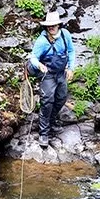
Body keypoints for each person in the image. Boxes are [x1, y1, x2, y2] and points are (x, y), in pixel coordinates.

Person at [28, 11, 75, 147]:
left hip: (61, 72)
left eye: (53, 25)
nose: (51, 27)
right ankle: (43, 133)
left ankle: (52, 121)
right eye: (49, 26)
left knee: (61, 98)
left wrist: (71, 68)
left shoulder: (65, 35)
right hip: (47, 73)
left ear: (58, 25)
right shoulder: (42, 41)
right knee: (47, 100)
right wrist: (39, 65)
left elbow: (71, 51)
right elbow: (33, 58)